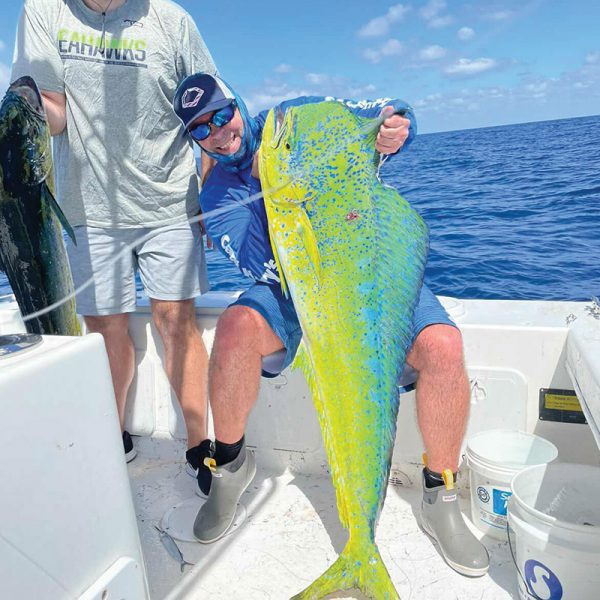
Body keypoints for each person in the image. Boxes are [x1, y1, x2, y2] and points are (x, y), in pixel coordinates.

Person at [172, 73, 490, 575]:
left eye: (221, 113)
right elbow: (269, 267)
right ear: (195, 140)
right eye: (200, 128)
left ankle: (441, 494)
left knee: (443, 345)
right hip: (297, 283)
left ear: (237, 103)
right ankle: (230, 468)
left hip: (368, 265)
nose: (218, 130)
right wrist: (275, 193)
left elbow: (383, 109)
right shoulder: (216, 196)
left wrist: (396, 122)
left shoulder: (293, 119)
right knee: (234, 328)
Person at [12, 0, 216, 493]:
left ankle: (198, 445)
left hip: (168, 200)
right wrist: (28, 113)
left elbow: (208, 107)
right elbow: (53, 110)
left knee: (176, 320)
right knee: (104, 328)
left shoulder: (172, 20)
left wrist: (209, 191)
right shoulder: (42, 10)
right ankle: (113, 432)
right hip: (86, 206)